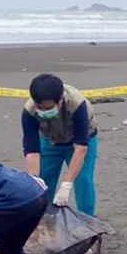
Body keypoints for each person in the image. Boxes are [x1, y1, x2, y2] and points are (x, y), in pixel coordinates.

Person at [21, 73, 98, 216]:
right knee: (43, 182)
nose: (44, 111)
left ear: (60, 100)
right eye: (40, 108)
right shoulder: (29, 110)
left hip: (80, 141)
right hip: (50, 141)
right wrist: (34, 181)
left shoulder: (78, 104)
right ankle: (43, 219)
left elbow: (81, 148)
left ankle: (88, 221)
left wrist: (66, 184)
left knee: (83, 181)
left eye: (48, 108)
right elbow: (32, 150)